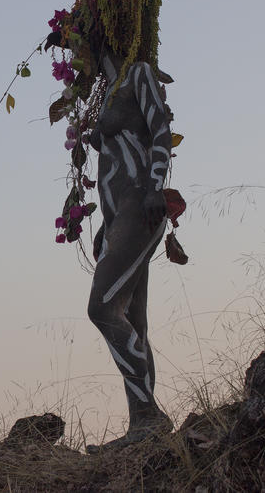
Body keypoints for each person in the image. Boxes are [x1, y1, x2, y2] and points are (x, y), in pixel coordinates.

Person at [84, 46, 173, 453]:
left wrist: (155, 186)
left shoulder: (138, 74)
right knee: (133, 319)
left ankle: (149, 415)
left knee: (102, 307)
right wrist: (106, 225)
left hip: (141, 206)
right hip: (119, 216)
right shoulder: (108, 89)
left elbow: (160, 131)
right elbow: (113, 161)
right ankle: (143, 426)